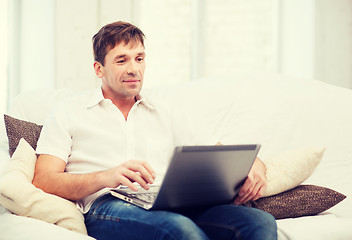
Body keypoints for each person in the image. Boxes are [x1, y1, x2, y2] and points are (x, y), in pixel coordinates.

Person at [33, 21, 277, 240]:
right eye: (122, 60)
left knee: (258, 222)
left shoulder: (166, 111)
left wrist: (256, 166)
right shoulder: (69, 112)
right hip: (106, 205)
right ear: (99, 69)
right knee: (177, 228)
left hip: (166, 201)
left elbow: (223, 155)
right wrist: (107, 177)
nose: (134, 69)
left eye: (139, 58)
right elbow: (44, 179)